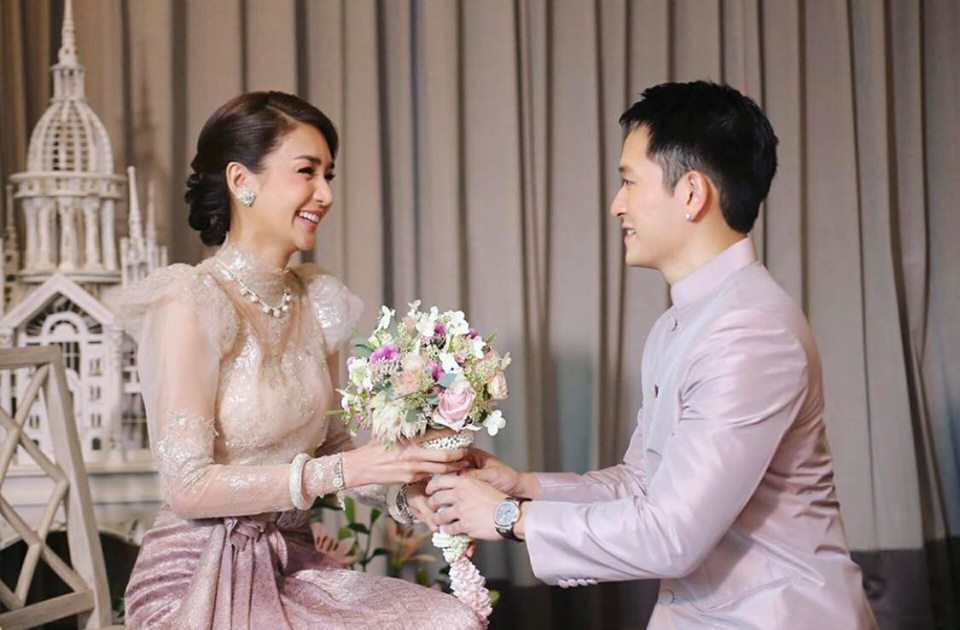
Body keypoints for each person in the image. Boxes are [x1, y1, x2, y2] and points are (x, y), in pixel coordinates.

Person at [426, 81, 878, 629]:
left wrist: (508, 517)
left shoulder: (750, 332)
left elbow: (671, 535)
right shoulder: (680, 324)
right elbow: (643, 484)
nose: (616, 205)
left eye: (629, 181)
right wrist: (525, 487)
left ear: (691, 194)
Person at [118, 91, 482, 629]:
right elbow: (187, 487)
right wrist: (349, 468)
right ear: (241, 180)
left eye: (328, 175)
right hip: (195, 578)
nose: (325, 194)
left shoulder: (317, 300)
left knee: (448, 620)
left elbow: (332, 446)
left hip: (290, 565)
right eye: (306, 172)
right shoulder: (192, 303)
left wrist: (410, 494)